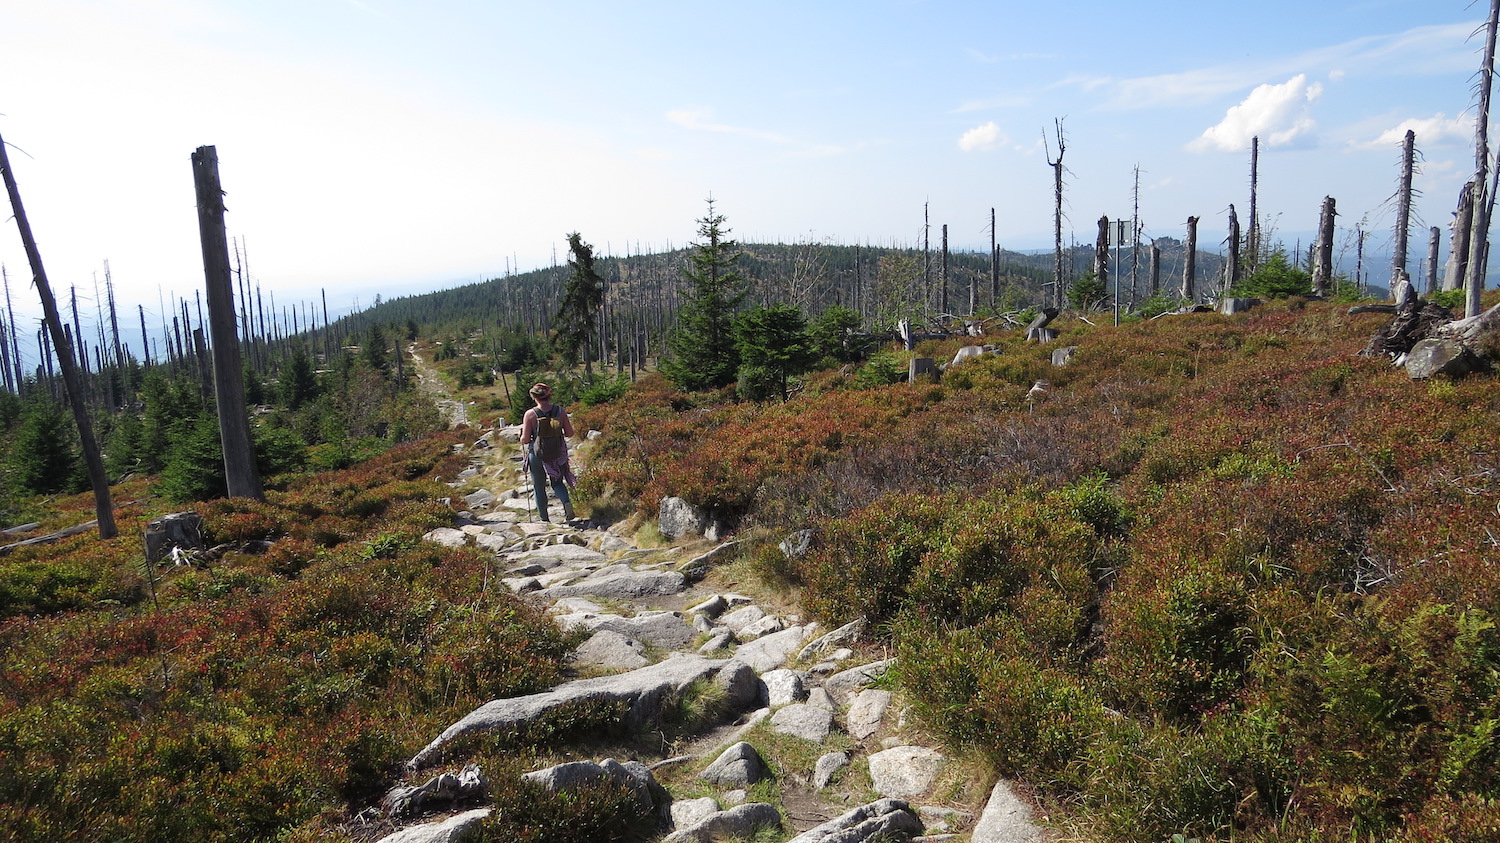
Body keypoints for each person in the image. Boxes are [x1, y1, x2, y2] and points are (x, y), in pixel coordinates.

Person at [519, 382, 576, 522]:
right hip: (557, 453)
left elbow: (525, 440)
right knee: (557, 483)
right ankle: (566, 503)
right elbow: (570, 433)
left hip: (537, 454)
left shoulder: (530, 414)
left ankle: (544, 519)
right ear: (548, 395)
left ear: (534, 397)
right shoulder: (560, 411)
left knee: (539, 486)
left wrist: (520, 435)